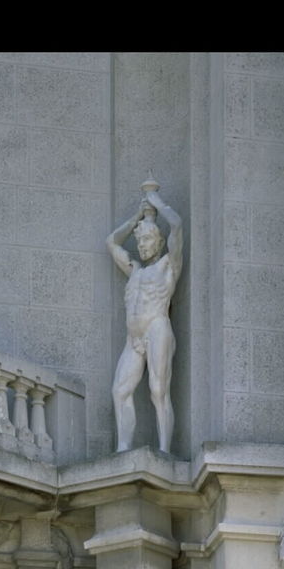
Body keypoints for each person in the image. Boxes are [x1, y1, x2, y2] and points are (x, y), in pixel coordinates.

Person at [106, 177, 183, 453]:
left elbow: (177, 225)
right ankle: (123, 447)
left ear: (159, 242)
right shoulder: (135, 271)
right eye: (139, 240)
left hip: (157, 328)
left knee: (158, 390)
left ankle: (164, 451)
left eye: (147, 239)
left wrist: (156, 202)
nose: (142, 245)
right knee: (120, 390)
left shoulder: (168, 265)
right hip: (134, 337)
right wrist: (138, 215)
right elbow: (112, 242)